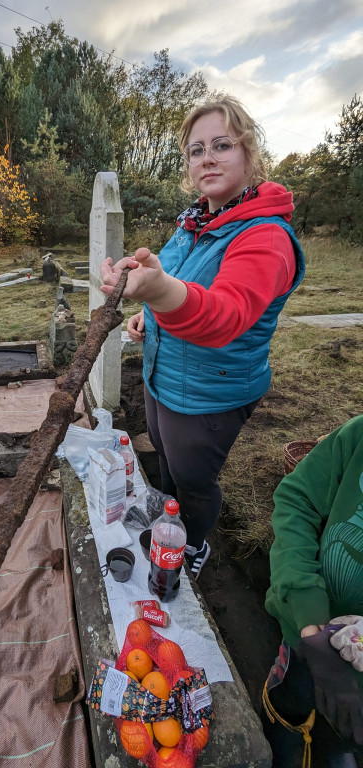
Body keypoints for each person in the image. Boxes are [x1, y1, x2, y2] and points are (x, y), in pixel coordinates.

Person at [100, 95, 305, 578]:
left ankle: (193, 545)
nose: (207, 158)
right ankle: (172, 519)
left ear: (250, 155)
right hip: (162, 376)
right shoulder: (195, 223)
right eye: (196, 150)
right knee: (167, 460)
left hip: (209, 393)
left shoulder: (265, 236)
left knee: (194, 480)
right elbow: (175, 284)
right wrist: (149, 313)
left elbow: (226, 316)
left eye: (222, 145)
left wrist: (161, 293)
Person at [263, 415, 363, 767]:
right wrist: (308, 616)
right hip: (308, 639)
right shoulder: (357, 439)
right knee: (289, 707)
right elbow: (297, 498)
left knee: (340, 744)